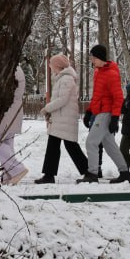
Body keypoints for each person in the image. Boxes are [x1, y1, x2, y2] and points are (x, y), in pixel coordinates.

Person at [80, 44, 129, 183]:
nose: (92, 61)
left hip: (106, 113)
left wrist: (115, 117)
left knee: (91, 142)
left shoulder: (111, 74)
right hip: (100, 112)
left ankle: (92, 174)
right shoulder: (98, 72)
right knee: (109, 144)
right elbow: (97, 96)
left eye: (93, 58)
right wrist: (89, 111)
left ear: (100, 58)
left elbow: (118, 98)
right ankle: (124, 172)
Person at [35, 54, 88, 183]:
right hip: (61, 119)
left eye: (51, 65)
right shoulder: (62, 79)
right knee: (56, 145)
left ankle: (89, 171)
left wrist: (47, 108)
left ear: (57, 66)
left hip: (65, 119)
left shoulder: (66, 79)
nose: (50, 67)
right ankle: (49, 175)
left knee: (70, 146)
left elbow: (62, 100)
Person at [0, 65, 30, 185]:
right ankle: (8, 174)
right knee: (7, 143)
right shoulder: (17, 68)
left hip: (8, 110)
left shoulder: (11, 68)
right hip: (14, 109)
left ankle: (17, 169)